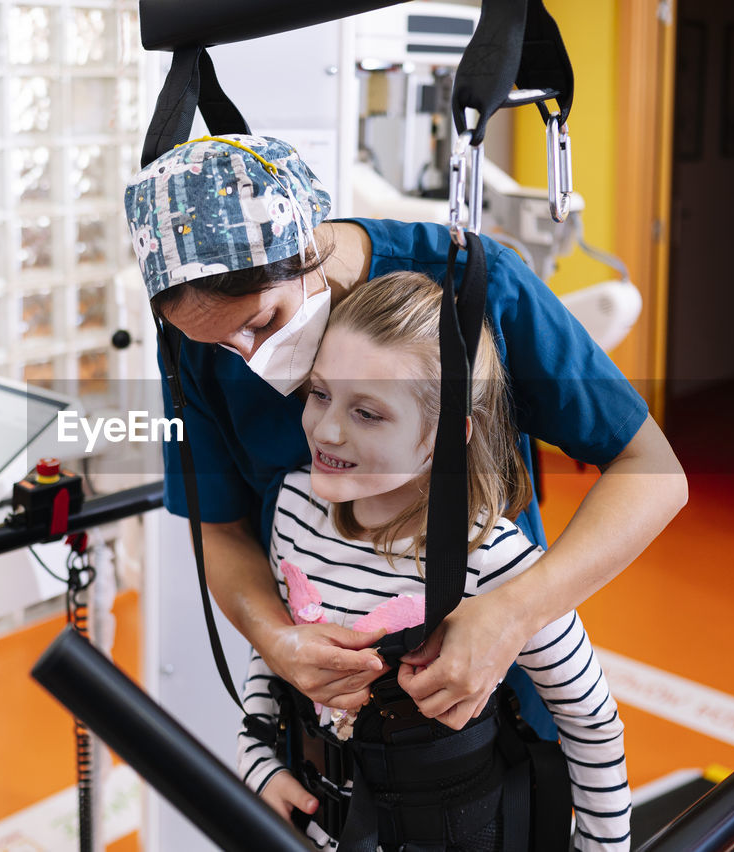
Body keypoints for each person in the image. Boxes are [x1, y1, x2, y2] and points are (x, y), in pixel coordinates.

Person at [123, 133, 687, 737]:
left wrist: (513, 613)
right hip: (326, 723)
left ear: (308, 246)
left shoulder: (476, 287)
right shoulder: (198, 342)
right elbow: (219, 529)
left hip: (484, 708)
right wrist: (278, 640)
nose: (248, 359)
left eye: (262, 322)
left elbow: (651, 471)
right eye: (217, 344)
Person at [236, 270, 629, 850]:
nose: (326, 428)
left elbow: (591, 723)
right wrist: (256, 762)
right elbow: (274, 651)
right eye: (319, 394)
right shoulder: (295, 507)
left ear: (446, 436)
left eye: (367, 413)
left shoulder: (493, 561)